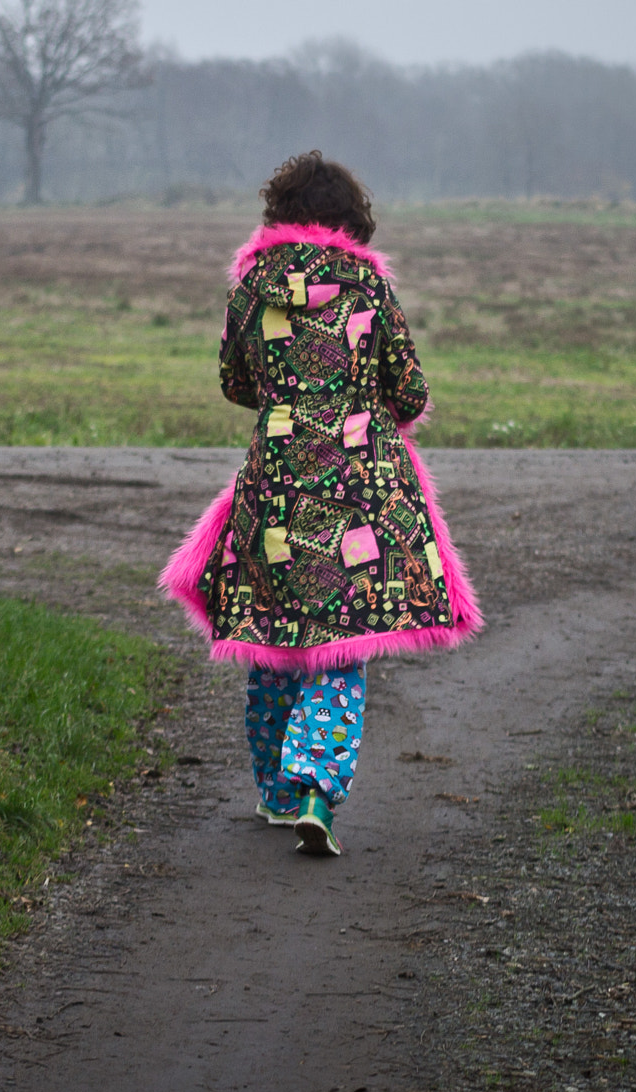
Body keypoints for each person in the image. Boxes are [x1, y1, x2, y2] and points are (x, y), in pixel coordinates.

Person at [160, 151, 484, 855]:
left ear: (278, 214)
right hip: (358, 491)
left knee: (274, 639)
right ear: (350, 221)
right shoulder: (367, 283)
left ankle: (276, 793)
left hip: (274, 483)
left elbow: (233, 380)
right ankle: (315, 787)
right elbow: (412, 390)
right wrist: (362, 406)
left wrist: (286, 399)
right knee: (341, 646)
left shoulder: (251, 285)